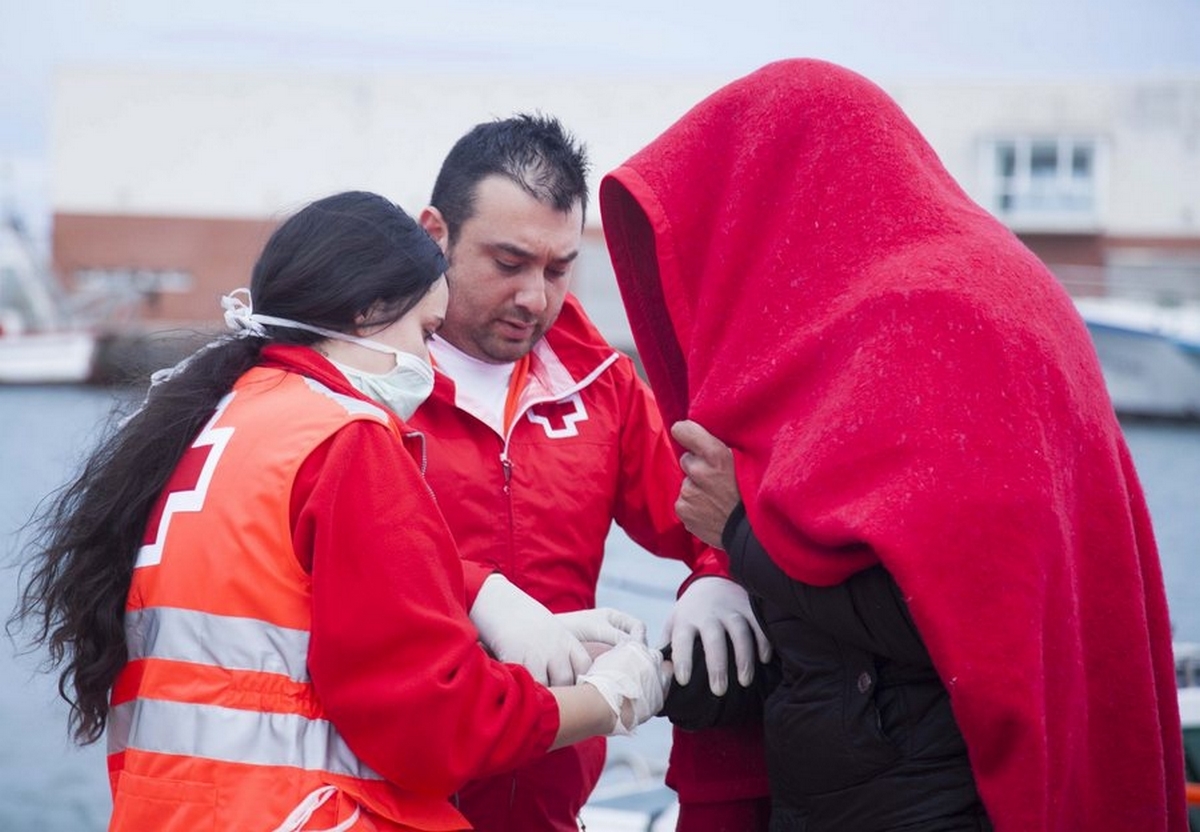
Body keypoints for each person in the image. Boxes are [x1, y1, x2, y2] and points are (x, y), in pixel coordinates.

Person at [599, 59, 1187, 831]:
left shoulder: (935, 316)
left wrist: (740, 536)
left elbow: (961, 617)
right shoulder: (888, 315)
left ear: (781, 193)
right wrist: (713, 596)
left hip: (931, 802)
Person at [11, 190, 668, 831]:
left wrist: (474, 596)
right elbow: (432, 730)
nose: (426, 362)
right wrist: (603, 701)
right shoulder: (345, 439)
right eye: (426, 332)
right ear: (368, 312)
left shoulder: (218, 419)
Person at [408, 113, 774, 831]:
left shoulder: (600, 384)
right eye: (509, 263)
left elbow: (701, 509)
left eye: (557, 267)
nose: (535, 298)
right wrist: (477, 594)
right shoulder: (366, 385)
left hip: (551, 796)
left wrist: (719, 575)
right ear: (435, 236)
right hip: (397, 800)